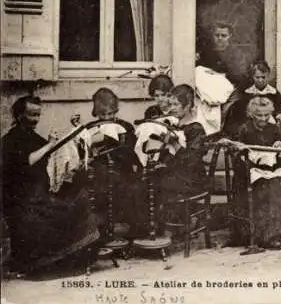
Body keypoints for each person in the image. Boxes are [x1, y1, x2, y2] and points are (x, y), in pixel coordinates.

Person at [1, 96, 100, 274]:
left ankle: (75, 255)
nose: (36, 120)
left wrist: (59, 142)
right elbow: (27, 160)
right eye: (31, 115)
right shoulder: (10, 140)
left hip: (37, 194)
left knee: (79, 198)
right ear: (19, 115)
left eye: (38, 115)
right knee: (66, 210)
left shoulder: (31, 136)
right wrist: (49, 146)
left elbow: (48, 152)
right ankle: (50, 260)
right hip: (23, 201)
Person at [230, 96, 281, 249]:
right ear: (251, 114)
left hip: (270, 171)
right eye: (259, 115)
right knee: (267, 188)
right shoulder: (244, 129)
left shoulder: (273, 128)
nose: (263, 119)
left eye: (266, 115)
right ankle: (268, 236)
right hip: (249, 173)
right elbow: (237, 156)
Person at [138, 84, 208, 236]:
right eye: (171, 104)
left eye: (177, 104)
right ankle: (150, 230)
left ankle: (165, 231)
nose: (173, 108)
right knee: (143, 181)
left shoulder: (196, 129)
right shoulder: (172, 125)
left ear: (188, 105)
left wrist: (174, 143)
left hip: (191, 178)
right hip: (174, 173)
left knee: (154, 184)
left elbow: (191, 161)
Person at [88, 88, 140, 232]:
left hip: (121, 170)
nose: (106, 117)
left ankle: (116, 224)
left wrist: (110, 142)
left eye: (110, 113)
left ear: (115, 111)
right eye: (102, 114)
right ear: (96, 113)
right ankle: (100, 226)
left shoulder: (126, 127)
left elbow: (131, 153)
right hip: (98, 171)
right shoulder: (90, 128)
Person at [223, 60, 281, 139]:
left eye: (263, 77)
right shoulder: (247, 93)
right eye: (257, 77)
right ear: (253, 77)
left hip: (269, 125)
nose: (260, 80)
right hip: (250, 127)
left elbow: (278, 112)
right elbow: (242, 113)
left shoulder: (274, 93)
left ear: (268, 75)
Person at [197, 22, 253, 90]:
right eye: (217, 35)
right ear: (213, 36)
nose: (220, 38)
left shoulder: (237, 54)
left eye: (223, 36)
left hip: (230, 88)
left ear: (230, 36)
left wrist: (219, 74)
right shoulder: (206, 52)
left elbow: (240, 76)